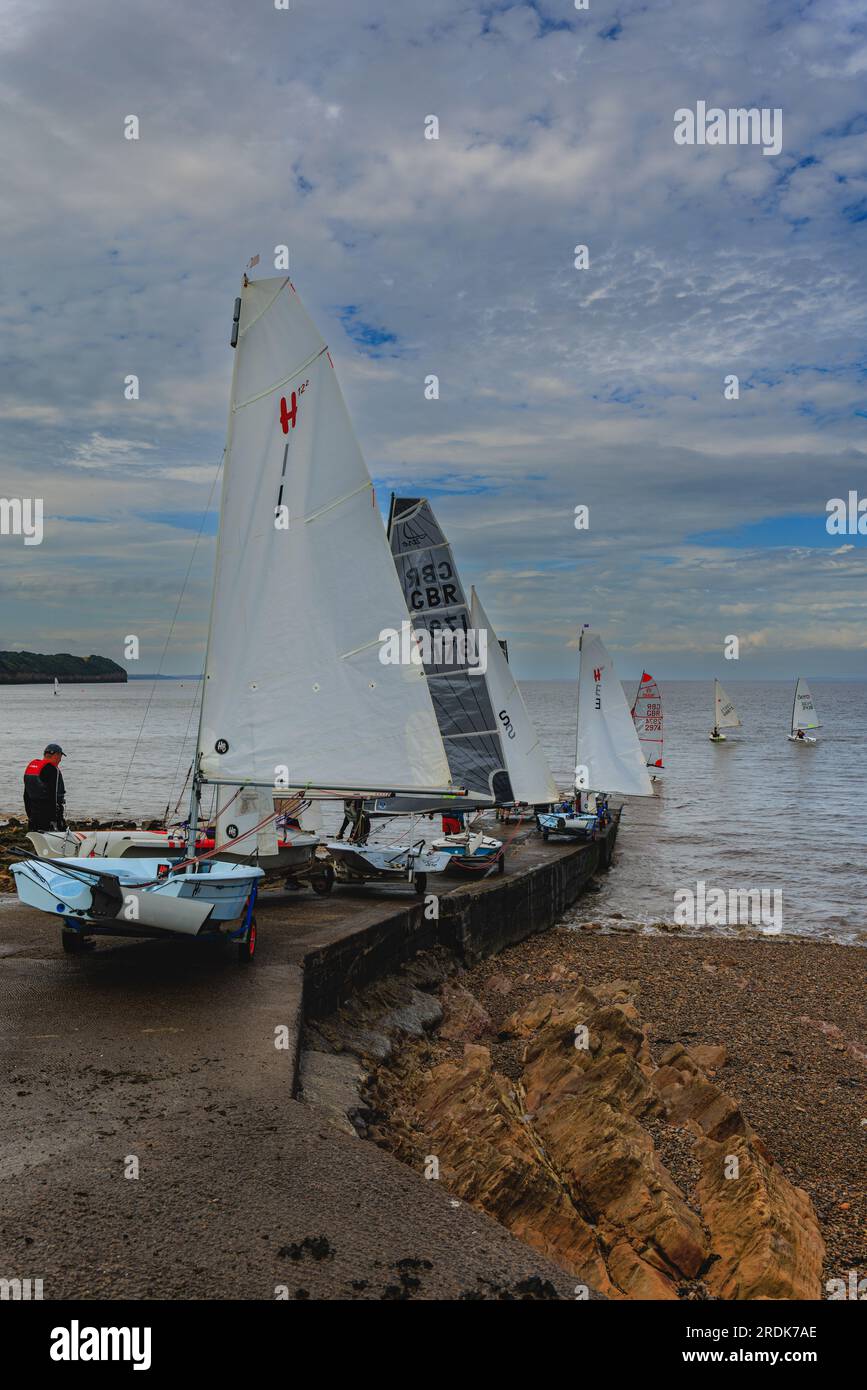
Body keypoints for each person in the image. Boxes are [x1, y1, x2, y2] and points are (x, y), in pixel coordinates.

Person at [23, 743, 67, 831]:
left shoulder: (32, 767)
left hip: (33, 816)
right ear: (56, 755)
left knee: (39, 841)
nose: (60, 760)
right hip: (48, 817)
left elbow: (25, 795)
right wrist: (54, 819)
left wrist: (30, 815)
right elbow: (53, 796)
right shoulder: (52, 770)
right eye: (60, 756)